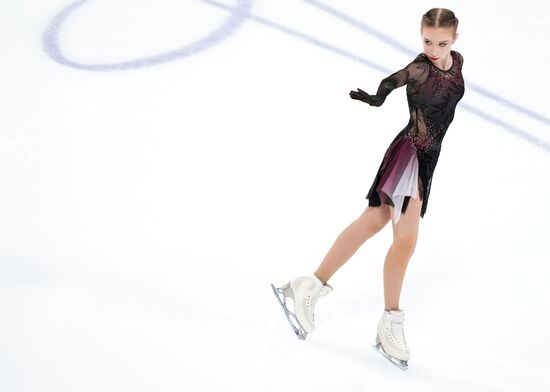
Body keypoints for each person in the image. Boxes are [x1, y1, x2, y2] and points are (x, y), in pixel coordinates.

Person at [271, 8, 464, 370]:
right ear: (420, 36)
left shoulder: (456, 64)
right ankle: (390, 323)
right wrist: (379, 96)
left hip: (427, 160)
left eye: (441, 42)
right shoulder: (421, 67)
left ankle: (306, 287)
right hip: (411, 154)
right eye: (426, 40)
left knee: (372, 221)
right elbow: (397, 78)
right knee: (405, 240)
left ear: (455, 39)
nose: (433, 48)